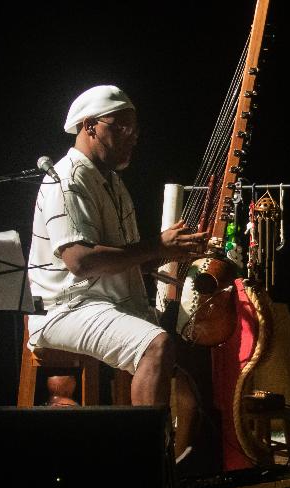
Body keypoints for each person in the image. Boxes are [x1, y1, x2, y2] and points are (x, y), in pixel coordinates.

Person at [26, 85, 208, 407]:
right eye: (121, 127)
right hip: (66, 309)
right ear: (90, 126)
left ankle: (173, 450)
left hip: (106, 304)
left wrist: (170, 254)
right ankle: (143, 452)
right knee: (156, 345)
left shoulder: (111, 181)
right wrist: (157, 246)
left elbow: (120, 260)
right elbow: (80, 262)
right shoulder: (66, 179)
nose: (132, 136)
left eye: (135, 130)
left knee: (191, 354)